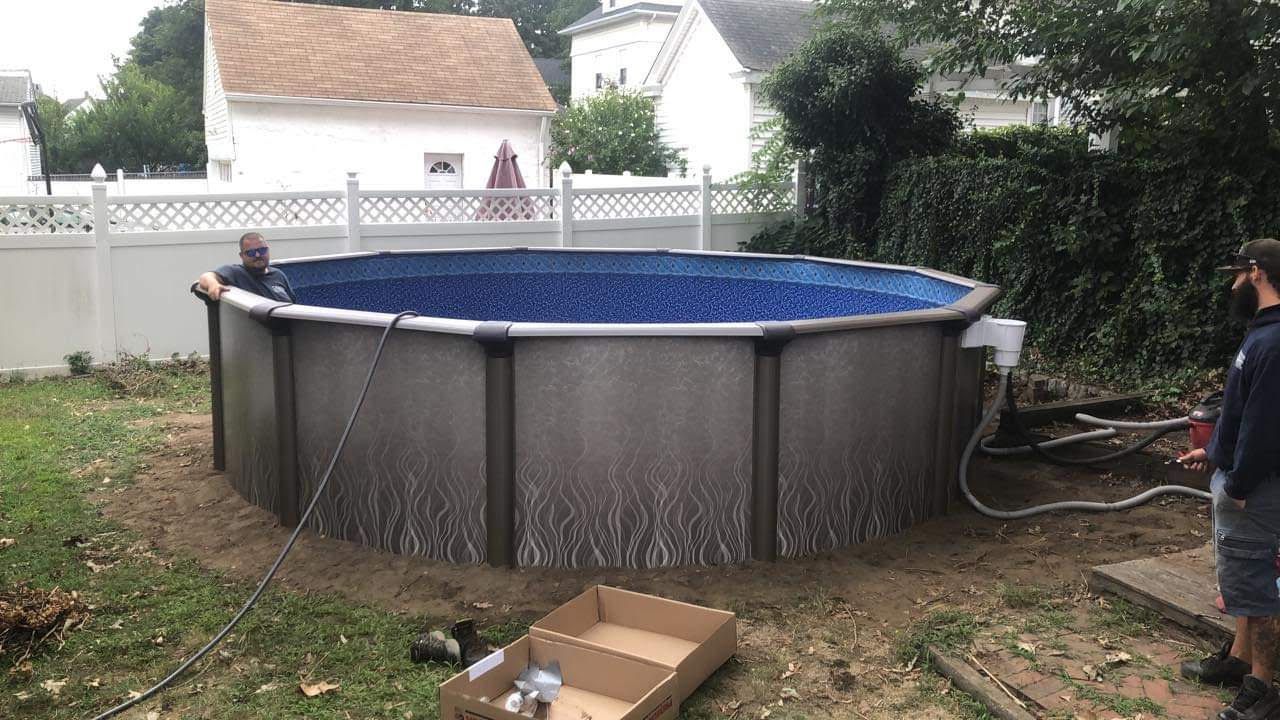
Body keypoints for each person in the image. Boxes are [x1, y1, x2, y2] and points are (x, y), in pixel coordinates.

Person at [1179, 238, 1280, 720]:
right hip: (1242, 479)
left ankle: (1262, 687)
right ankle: (1239, 661)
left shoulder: (1276, 340)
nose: (1235, 284)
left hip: (1255, 489)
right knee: (1239, 577)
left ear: (1257, 273)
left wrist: (1238, 485)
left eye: (1238, 275)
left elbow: (1266, 428)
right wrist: (1215, 450)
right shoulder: (1264, 330)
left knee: (1257, 587)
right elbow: (1241, 410)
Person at [196, 232, 296, 303]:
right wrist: (213, 285)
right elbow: (206, 277)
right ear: (242, 256)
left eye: (262, 250)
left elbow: (294, 304)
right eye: (251, 252)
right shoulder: (236, 272)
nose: (257, 255)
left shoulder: (278, 274)